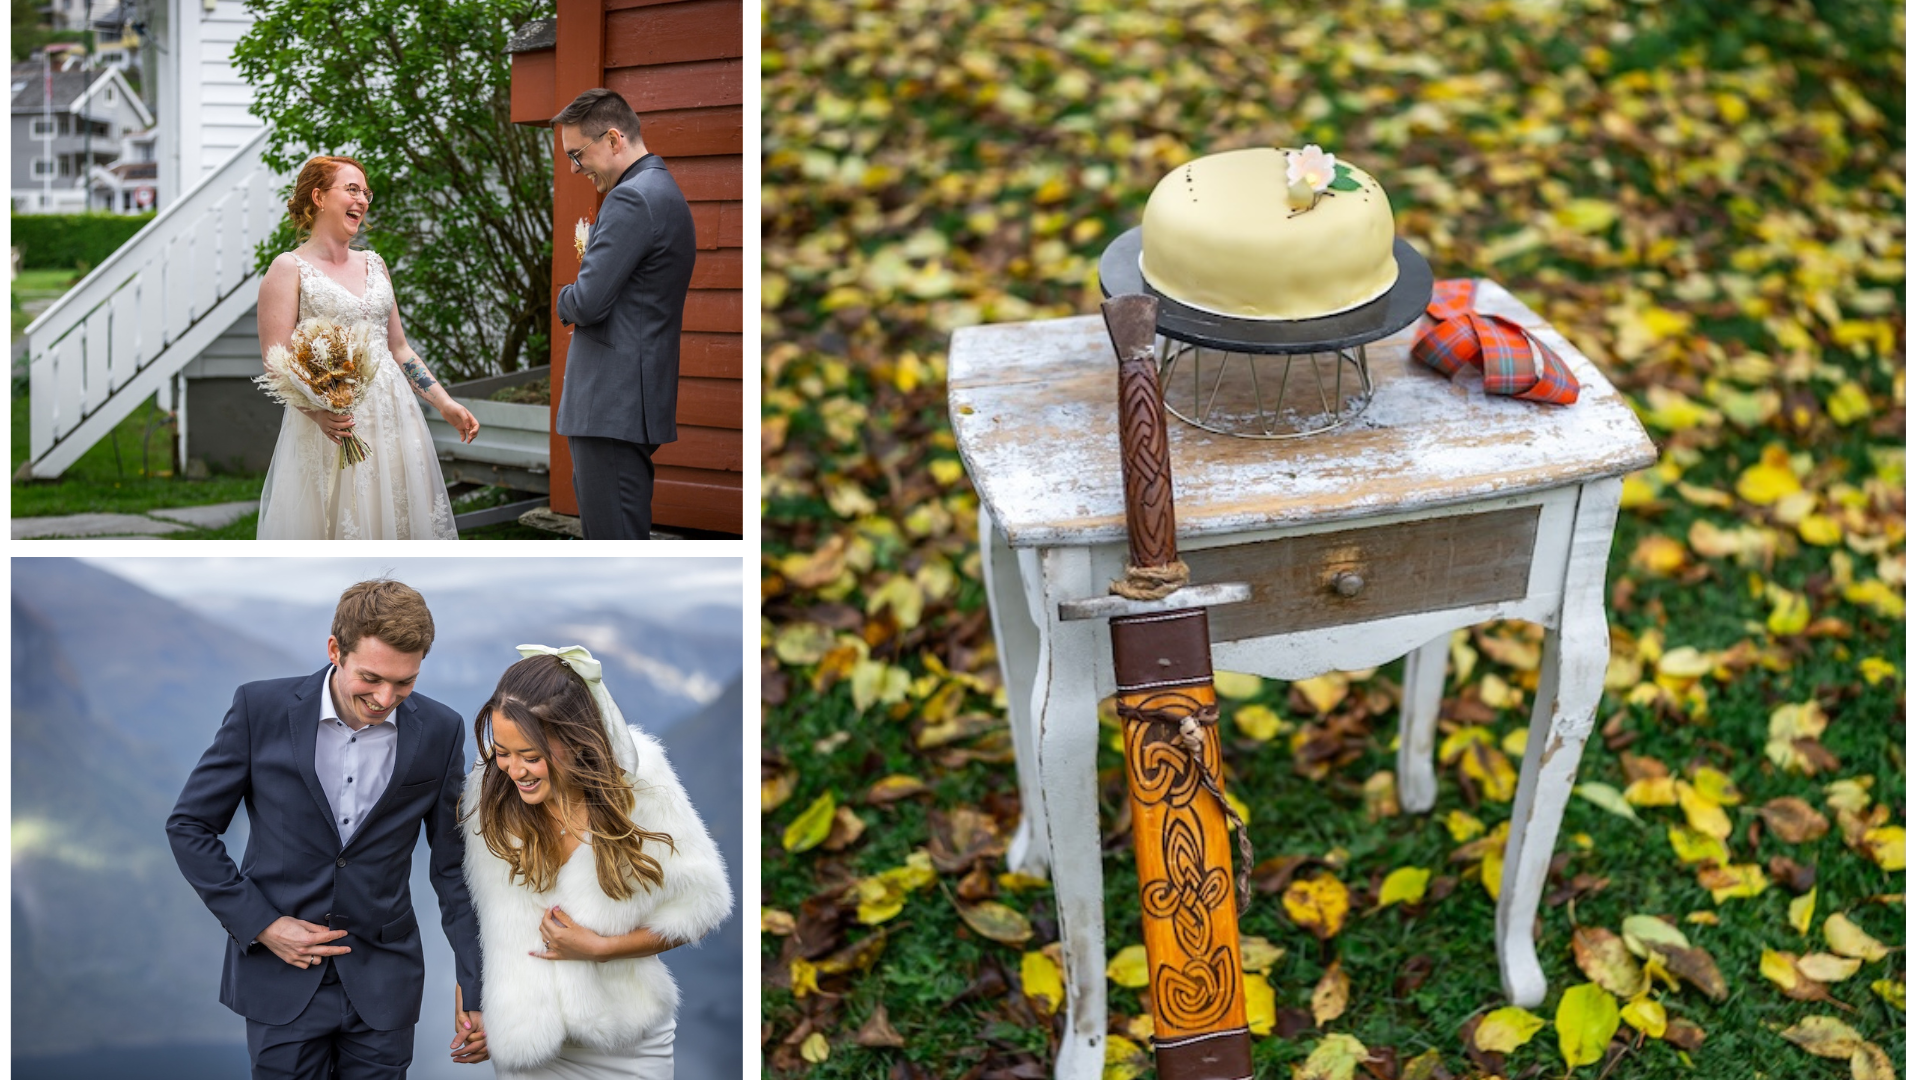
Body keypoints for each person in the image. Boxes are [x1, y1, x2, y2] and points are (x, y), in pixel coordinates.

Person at [166, 579, 491, 1079]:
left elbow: (452, 868)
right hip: (280, 978)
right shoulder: (260, 709)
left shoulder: (441, 730)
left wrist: (478, 986)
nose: (386, 698)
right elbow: (189, 826)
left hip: (385, 986)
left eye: (405, 683)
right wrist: (264, 926)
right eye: (372, 678)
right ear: (335, 650)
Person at [462, 646, 732, 1078]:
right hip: (529, 1041)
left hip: (625, 1042)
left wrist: (602, 949)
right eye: (503, 751)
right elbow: (479, 911)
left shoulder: (640, 784)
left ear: (574, 738)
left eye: (531, 756)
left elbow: (702, 905)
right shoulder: (489, 793)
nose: (514, 770)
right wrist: (475, 1002)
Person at [255, 155, 480, 539]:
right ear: (319, 197)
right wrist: (319, 414)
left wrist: (445, 404)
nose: (362, 199)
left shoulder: (375, 264)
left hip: (396, 417)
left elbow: (399, 348)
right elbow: (276, 362)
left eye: (366, 192)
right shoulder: (288, 268)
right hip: (334, 425)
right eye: (351, 189)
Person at [553, 89, 697, 540]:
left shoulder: (632, 198)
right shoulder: (660, 190)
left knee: (613, 540)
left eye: (578, 154)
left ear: (614, 139)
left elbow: (588, 302)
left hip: (610, 402)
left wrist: (561, 297)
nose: (575, 169)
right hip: (627, 398)